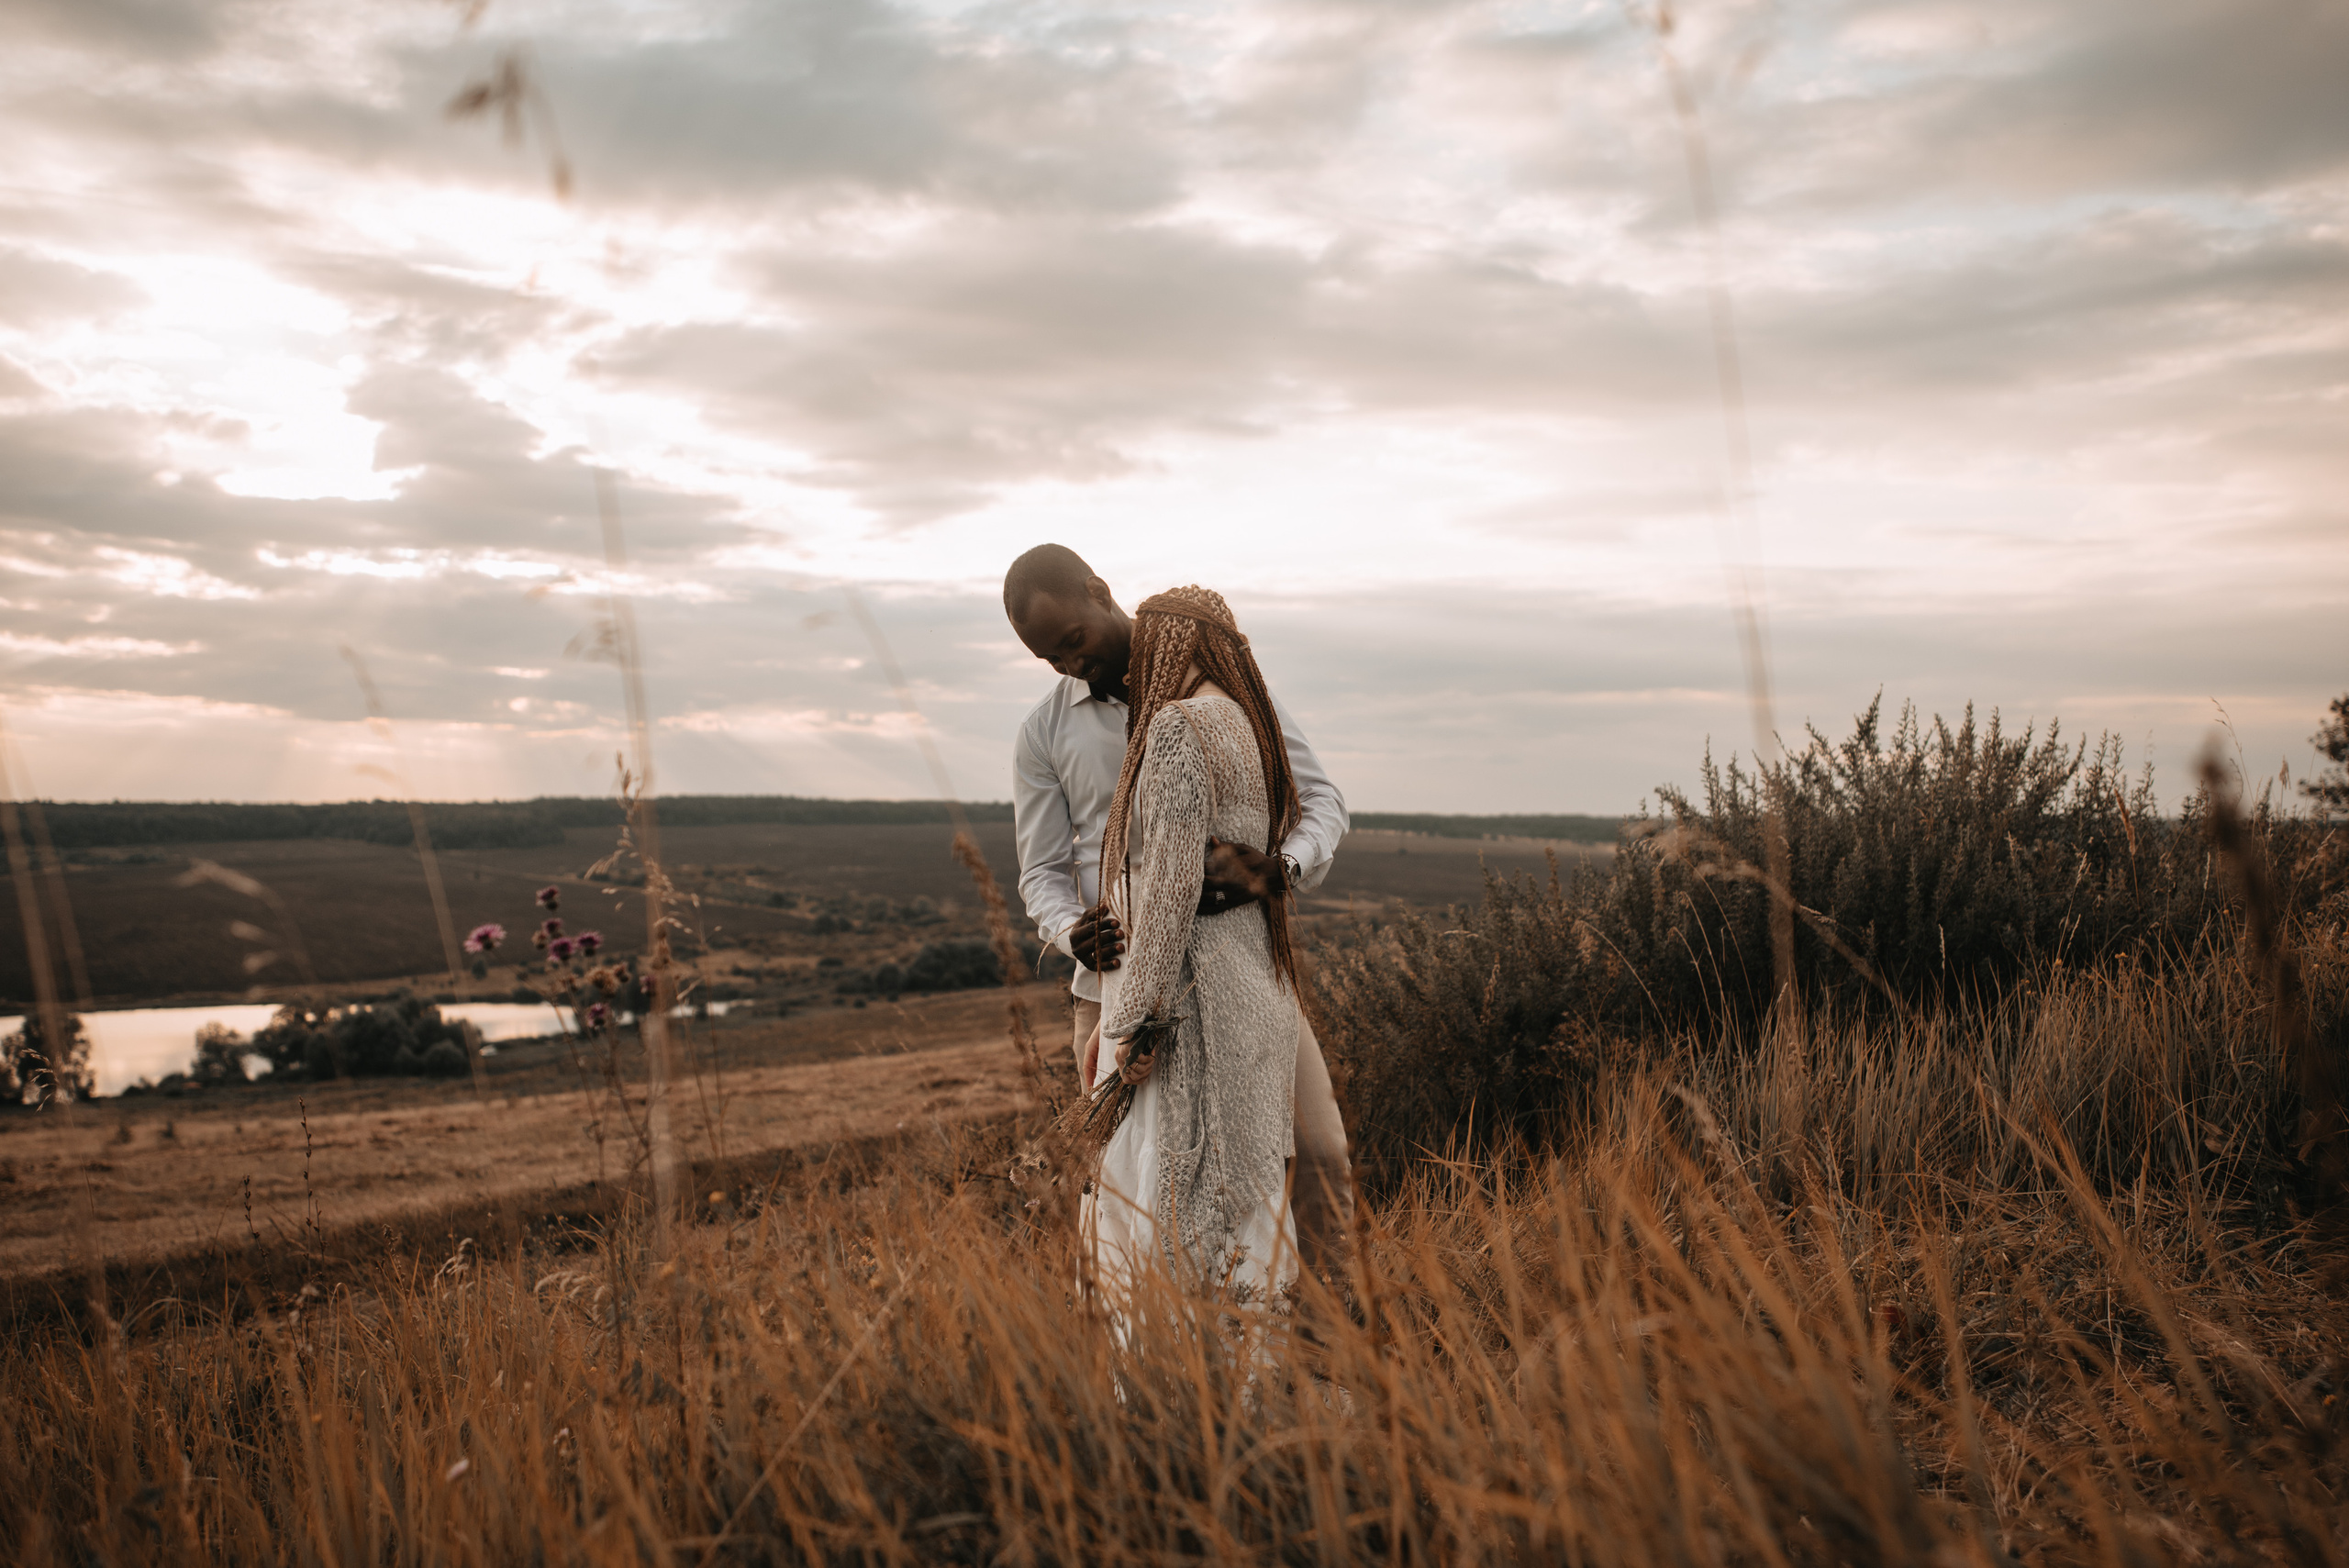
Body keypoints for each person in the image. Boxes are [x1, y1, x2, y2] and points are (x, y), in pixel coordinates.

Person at [1005, 545, 1357, 1273]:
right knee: (1137, 1188)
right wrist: (1071, 931)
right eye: (1050, 659)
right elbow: (1040, 869)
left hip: (1244, 976)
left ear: (1102, 592)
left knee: (1317, 1155)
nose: (1070, 666)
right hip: (1114, 993)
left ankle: (1331, 1351)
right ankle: (1167, 1365)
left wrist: (1282, 868)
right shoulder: (1044, 732)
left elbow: (1322, 798)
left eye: (1072, 642)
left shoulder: (1222, 681)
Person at [1084, 584, 1307, 1301]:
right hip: (1257, 994)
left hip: (1195, 1003)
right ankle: (1257, 1376)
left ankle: (1183, 1395)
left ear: (1165, 645)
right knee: (1251, 1206)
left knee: (1181, 1205)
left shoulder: (1179, 726)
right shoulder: (1249, 726)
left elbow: (1174, 888)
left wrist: (1130, 1021)